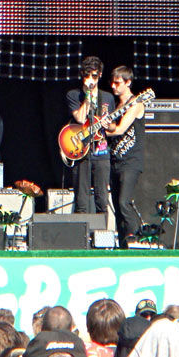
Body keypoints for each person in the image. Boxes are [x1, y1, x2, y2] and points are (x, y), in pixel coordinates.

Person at [66, 56, 115, 214]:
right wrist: (87, 97)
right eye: (87, 75)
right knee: (81, 200)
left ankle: (103, 237)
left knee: (102, 199)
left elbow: (113, 127)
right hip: (82, 153)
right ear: (82, 75)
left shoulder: (107, 98)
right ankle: (82, 237)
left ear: (100, 75)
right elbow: (80, 118)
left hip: (102, 153)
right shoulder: (74, 95)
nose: (90, 79)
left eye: (94, 75)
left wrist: (109, 125)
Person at [104, 66, 146, 248]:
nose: (113, 86)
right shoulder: (116, 106)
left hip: (131, 161)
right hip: (115, 161)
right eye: (112, 82)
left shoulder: (135, 103)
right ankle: (123, 245)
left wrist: (106, 127)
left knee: (124, 202)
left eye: (118, 82)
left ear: (128, 82)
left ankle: (136, 240)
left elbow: (120, 129)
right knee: (116, 207)